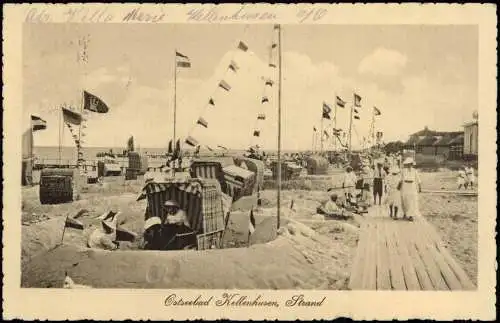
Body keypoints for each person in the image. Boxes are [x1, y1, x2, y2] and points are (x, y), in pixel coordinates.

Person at [400, 157, 422, 221]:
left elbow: (418, 179)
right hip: (405, 186)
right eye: (408, 163)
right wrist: (399, 187)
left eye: (411, 164)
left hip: (412, 186)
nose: (409, 165)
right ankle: (405, 213)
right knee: (405, 200)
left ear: (412, 164)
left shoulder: (414, 171)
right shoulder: (403, 171)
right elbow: (401, 179)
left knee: (412, 200)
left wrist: (420, 187)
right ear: (406, 164)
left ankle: (411, 215)